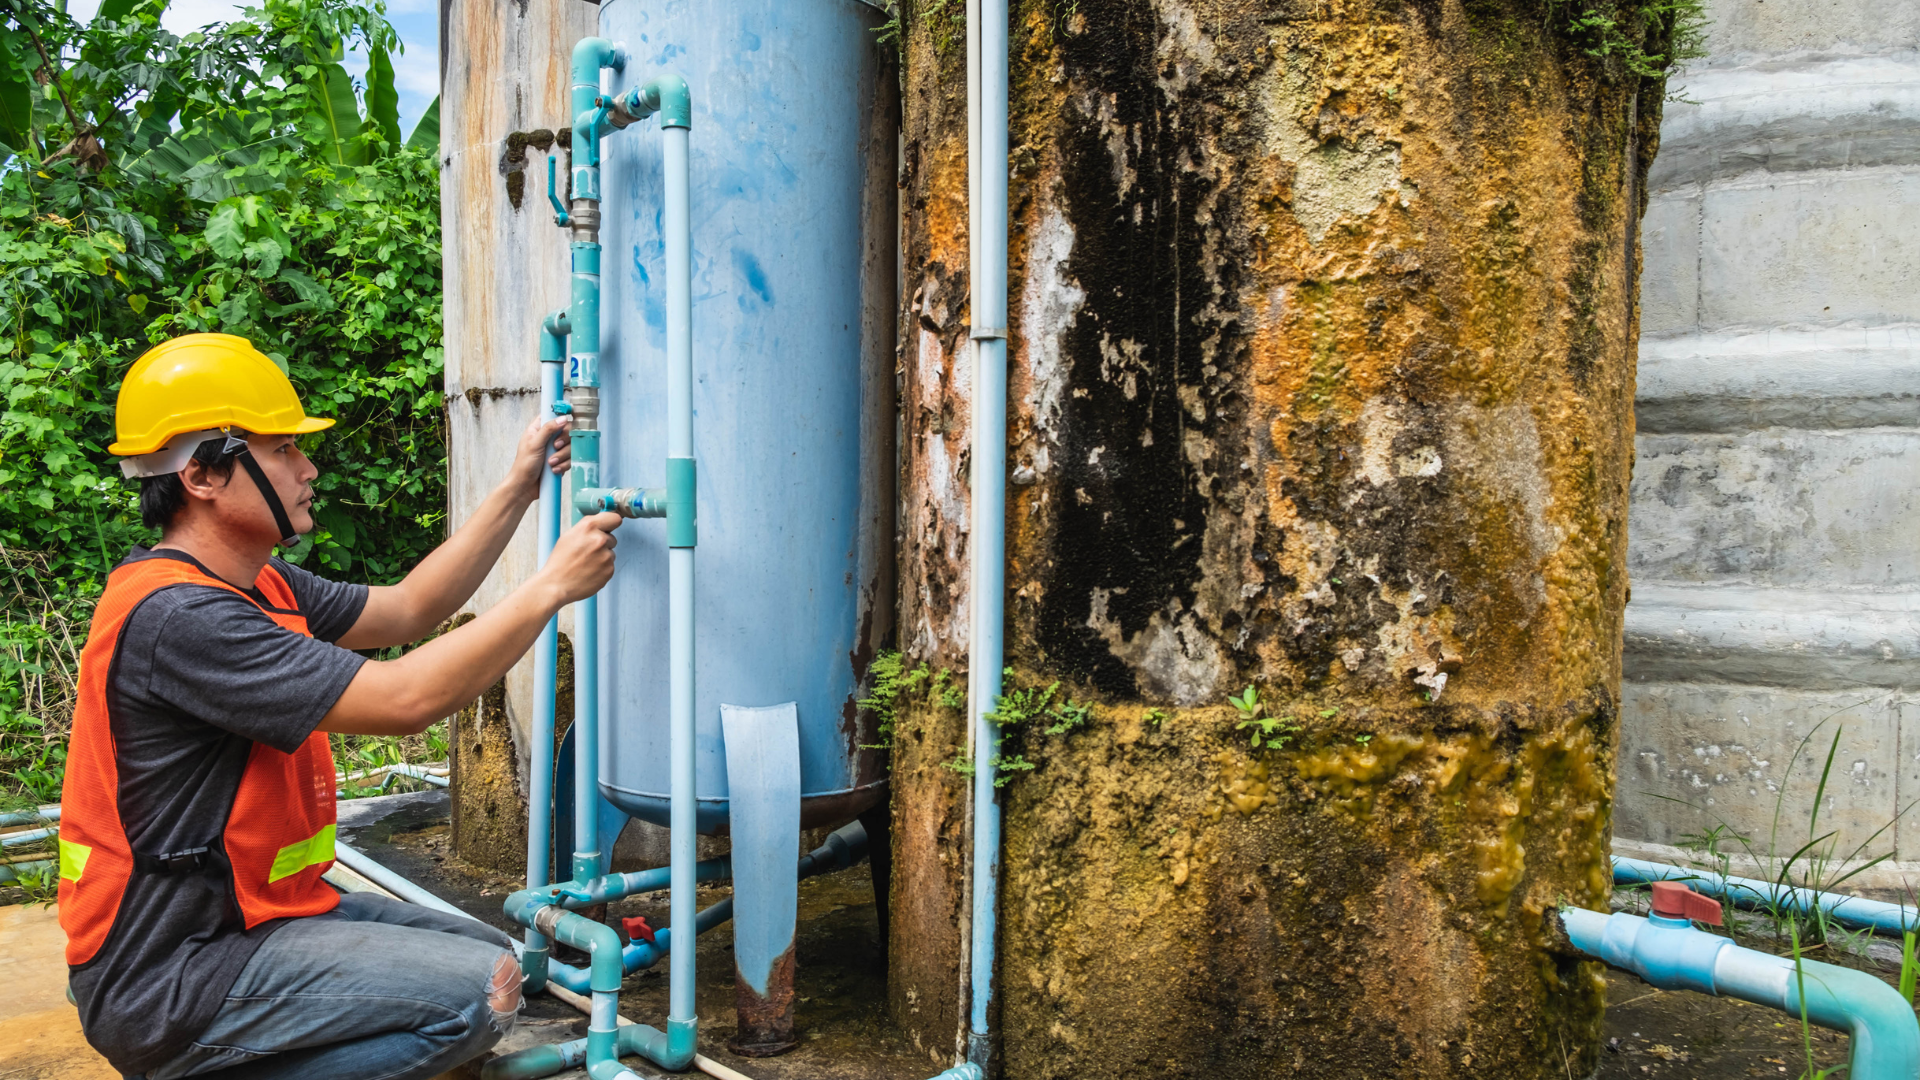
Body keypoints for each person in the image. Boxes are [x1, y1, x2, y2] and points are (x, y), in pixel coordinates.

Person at [56, 333, 622, 1079]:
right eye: (284, 449)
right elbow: (408, 697)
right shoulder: (182, 619)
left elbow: (409, 609)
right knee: (477, 998)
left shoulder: (260, 584)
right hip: (174, 971)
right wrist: (550, 588)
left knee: (496, 959)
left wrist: (518, 487)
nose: (308, 467)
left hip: (253, 918)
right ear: (202, 475)